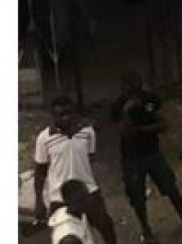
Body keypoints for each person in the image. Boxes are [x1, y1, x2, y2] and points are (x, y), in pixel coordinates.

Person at [111, 72, 182, 242]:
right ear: (124, 89)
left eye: (137, 86)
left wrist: (142, 129)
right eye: (130, 88)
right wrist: (127, 111)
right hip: (132, 157)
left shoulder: (149, 99)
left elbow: (164, 124)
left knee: (171, 188)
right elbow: (126, 133)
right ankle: (146, 230)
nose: (135, 92)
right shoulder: (119, 106)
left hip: (152, 152)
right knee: (137, 196)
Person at [33, 96, 118, 244]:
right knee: (68, 237)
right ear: (53, 116)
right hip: (59, 197)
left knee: (106, 226)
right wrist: (39, 201)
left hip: (87, 191)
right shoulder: (44, 139)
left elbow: (90, 158)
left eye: (68, 113)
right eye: (60, 115)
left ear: (74, 112)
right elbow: (40, 172)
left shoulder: (87, 132)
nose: (65, 118)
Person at [50, 179, 98, 244]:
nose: (88, 201)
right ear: (68, 201)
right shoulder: (69, 238)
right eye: (81, 199)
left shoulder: (78, 213)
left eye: (87, 195)